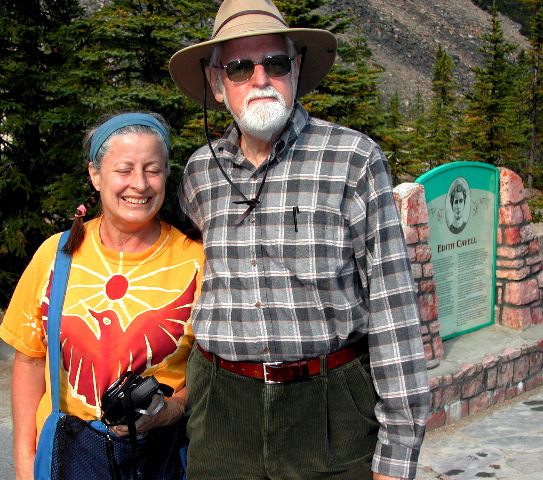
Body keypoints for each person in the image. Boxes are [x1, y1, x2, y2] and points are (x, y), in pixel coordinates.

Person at [169, 1, 430, 479]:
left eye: (276, 63)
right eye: (240, 67)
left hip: (330, 411)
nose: (260, 79)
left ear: (296, 68)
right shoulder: (199, 172)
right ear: (215, 83)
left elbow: (394, 312)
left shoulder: (354, 159)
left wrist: (397, 454)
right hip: (221, 412)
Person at [0, 112, 204, 480]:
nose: (139, 184)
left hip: (160, 459)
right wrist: (25, 461)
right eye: (124, 169)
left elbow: (211, 369)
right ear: (95, 175)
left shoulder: (196, 260)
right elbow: (30, 362)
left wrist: (172, 408)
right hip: (69, 454)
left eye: (153, 170)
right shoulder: (56, 255)